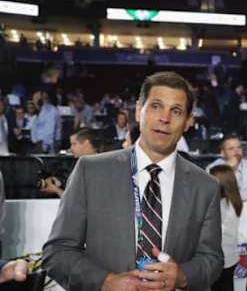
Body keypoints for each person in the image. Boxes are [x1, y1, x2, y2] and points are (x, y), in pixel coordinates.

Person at [43, 71, 223, 291]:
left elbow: (211, 259)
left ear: (188, 121)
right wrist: (105, 282)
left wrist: (183, 276)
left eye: (175, 111)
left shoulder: (206, 187)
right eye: (156, 106)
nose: (164, 118)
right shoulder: (90, 171)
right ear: (139, 111)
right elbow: (58, 252)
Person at [40, 128, 100, 198]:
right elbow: (67, 179)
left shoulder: (100, 166)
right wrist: (55, 181)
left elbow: (82, 201)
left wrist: (57, 190)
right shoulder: (75, 164)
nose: (71, 148)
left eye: (74, 144)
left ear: (86, 143)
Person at [209, 165, 243, 291]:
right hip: (231, 256)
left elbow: (216, 231)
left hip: (219, 259)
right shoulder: (234, 201)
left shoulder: (220, 204)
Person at [207, 135, 247, 202]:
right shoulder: (212, 168)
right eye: (231, 148)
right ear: (222, 153)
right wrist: (229, 169)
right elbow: (212, 194)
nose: (236, 151)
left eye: (239, 147)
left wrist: (235, 197)